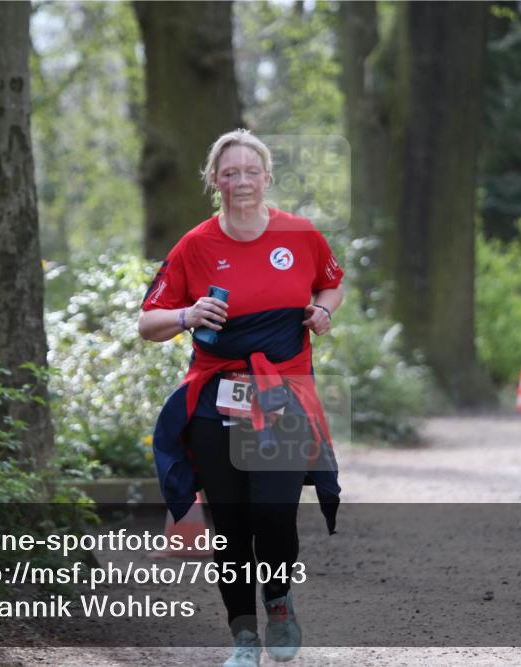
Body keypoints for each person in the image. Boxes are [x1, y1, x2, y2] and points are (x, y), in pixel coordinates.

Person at [137, 129, 345, 667]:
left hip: (283, 394)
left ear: (267, 176)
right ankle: (243, 638)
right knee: (228, 524)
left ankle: (278, 603)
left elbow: (331, 282)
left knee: (274, 513)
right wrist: (187, 315)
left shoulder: (301, 235)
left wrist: (323, 311)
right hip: (215, 397)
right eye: (230, 172)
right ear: (214, 180)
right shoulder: (195, 246)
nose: (241, 181)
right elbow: (147, 322)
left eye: (251, 170)